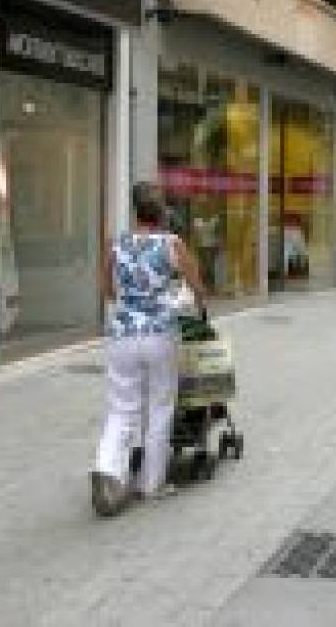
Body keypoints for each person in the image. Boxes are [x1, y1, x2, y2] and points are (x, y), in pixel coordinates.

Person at [92, 183, 206, 515]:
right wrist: (196, 306)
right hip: (159, 336)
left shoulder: (117, 244)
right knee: (159, 407)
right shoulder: (173, 245)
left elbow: (106, 290)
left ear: (135, 211)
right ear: (162, 212)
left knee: (121, 407)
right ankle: (149, 484)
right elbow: (197, 286)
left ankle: (108, 468)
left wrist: (130, 305)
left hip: (122, 335)